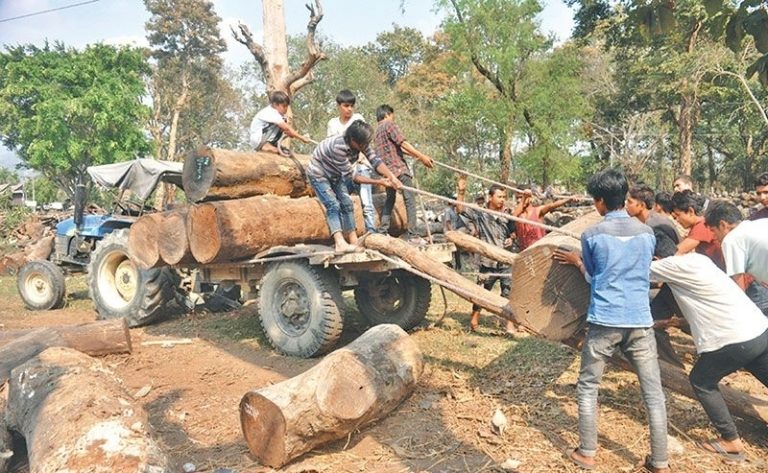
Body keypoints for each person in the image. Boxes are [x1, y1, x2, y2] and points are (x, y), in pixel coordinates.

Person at [553, 168, 669, 473]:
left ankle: (587, 453)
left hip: (605, 319)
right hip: (641, 320)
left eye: (595, 201)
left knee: (589, 386)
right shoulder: (646, 233)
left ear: (601, 201)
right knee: (653, 392)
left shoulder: (591, 234)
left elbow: (593, 277)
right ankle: (660, 461)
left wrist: (577, 261)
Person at [649, 251, 768, 463]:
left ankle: (730, 439)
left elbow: (628, 271)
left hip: (733, 339)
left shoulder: (668, 266)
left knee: (701, 381)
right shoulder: (700, 260)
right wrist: (674, 323)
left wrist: (580, 263)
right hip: (758, 329)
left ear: (659, 259)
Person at [307, 120, 401, 253]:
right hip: (319, 173)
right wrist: (380, 182)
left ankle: (353, 242)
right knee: (333, 205)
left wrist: (391, 176)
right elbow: (354, 177)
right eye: (362, 144)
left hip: (335, 173)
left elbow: (375, 160)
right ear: (352, 140)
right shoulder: (338, 147)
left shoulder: (361, 142)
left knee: (347, 204)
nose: (365, 147)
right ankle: (340, 243)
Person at [626, 184, 683, 366]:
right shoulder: (652, 222)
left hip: (677, 283)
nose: (626, 205)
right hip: (671, 284)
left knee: (693, 321)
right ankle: (673, 365)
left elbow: (670, 260)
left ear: (642, 205)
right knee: (655, 320)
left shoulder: (654, 228)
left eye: (630, 201)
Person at [374, 104, 434, 243]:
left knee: (390, 200)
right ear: (387, 115)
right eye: (392, 116)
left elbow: (399, 147)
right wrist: (422, 156)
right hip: (399, 169)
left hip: (388, 174)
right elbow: (403, 143)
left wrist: (418, 156)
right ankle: (413, 235)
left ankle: (383, 230)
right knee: (410, 200)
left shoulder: (376, 133)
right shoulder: (389, 125)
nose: (393, 119)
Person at [464, 185, 516, 333]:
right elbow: (460, 210)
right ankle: (474, 319)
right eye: (499, 197)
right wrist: (461, 191)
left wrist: (511, 239)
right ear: (490, 197)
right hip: (487, 261)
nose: (502, 200)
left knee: (508, 291)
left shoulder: (507, 214)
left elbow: (513, 232)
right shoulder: (481, 214)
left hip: (505, 260)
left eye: (504, 197)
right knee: (482, 291)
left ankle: (509, 324)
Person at [704, 200, 768, 315]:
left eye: (713, 231)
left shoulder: (731, 240)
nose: (714, 236)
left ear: (723, 225)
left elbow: (739, 285)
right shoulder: (760, 223)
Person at [326, 90, 377, 233]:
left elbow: (364, 141)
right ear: (338, 106)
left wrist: (361, 156)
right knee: (344, 201)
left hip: (360, 165)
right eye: (346, 105)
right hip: (342, 168)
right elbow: (331, 146)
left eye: (351, 106)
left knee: (366, 203)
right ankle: (349, 232)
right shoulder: (332, 123)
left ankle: (371, 231)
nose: (349, 109)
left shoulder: (358, 119)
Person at [670, 190, 724, 270]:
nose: (677, 220)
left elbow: (676, 252)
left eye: (678, 215)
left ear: (690, 211)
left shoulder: (701, 226)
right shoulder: (701, 224)